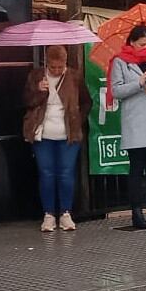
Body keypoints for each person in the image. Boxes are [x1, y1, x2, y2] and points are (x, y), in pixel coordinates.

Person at [108, 25, 146, 231]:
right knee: (136, 169)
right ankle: (137, 212)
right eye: (142, 44)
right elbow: (116, 90)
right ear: (132, 42)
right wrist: (139, 82)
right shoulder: (120, 61)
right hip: (135, 121)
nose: (145, 47)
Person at [23, 45, 91, 232]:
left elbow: (86, 101)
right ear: (46, 63)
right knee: (46, 173)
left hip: (68, 133)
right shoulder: (36, 76)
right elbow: (26, 102)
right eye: (53, 67)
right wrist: (38, 90)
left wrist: (78, 120)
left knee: (66, 173)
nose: (56, 71)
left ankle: (66, 213)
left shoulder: (74, 76)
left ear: (65, 62)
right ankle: (49, 214)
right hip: (43, 133)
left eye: (60, 67)